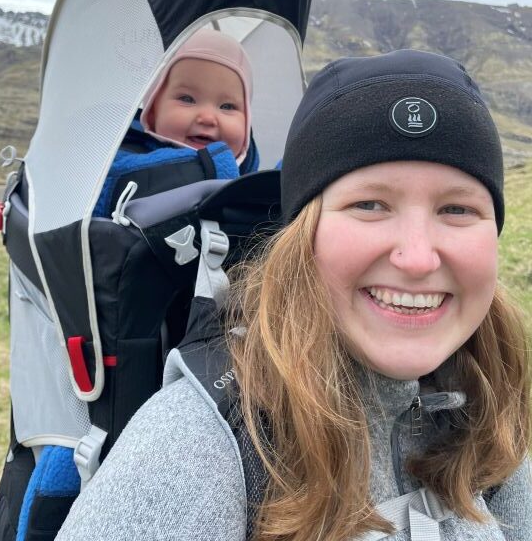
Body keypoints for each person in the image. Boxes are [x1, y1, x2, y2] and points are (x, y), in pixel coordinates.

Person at [57, 49, 531, 541]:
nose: (417, 257)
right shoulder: (199, 447)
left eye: (456, 209)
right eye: (369, 204)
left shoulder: (489, 410)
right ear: (301, 240)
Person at [140, 27, 253, 164]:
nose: (208, 118)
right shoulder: (122, 169)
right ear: (152, 111)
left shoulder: (256, 180)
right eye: (187, 99)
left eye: (227, 106)